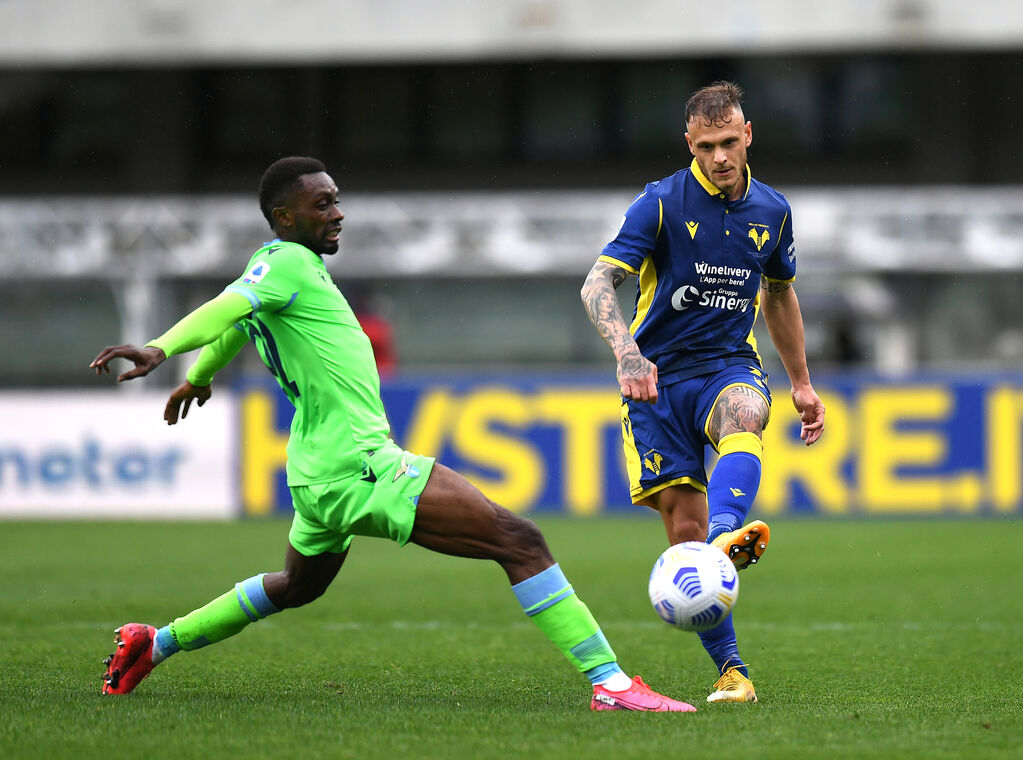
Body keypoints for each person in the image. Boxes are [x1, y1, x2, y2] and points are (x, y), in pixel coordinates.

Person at [91, 155, 694, 712]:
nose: (338, 212)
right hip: (361, 465)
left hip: (316, 471)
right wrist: (160, 348)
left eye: (335, 200)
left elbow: (237, 315)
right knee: (520, 541)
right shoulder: (287, 263)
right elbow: (226, 309)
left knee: (297, 587)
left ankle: (156, 643)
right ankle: (611, 684)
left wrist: (199, 375)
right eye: (322, 204)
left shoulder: (270, 269)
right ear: (285, 217)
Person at [580, 82, 825, 703]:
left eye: (729, 142)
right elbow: (596, 287)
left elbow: (778, 293)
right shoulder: (659, 204)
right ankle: (733, 671)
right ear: (691, 143)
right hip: (656, 382)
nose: (719, 156)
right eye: (707, 145)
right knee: (684, 539)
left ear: (747, 137)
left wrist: (800, 381)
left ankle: (725, 534)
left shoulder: (772, 211)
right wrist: (628, 354)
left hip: (726, 365)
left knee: (745, 410)